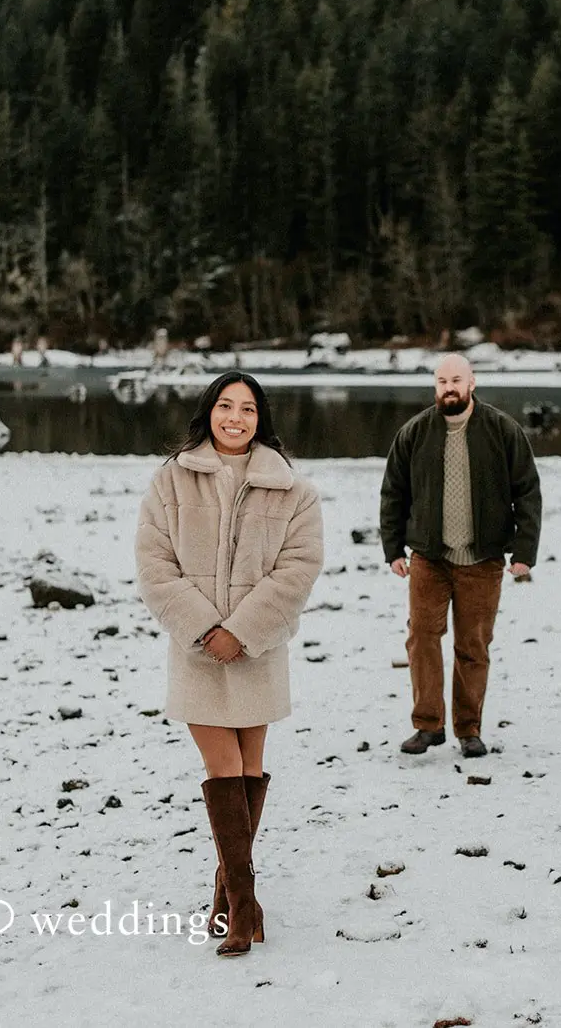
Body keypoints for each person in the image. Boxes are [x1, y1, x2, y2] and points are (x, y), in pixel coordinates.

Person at [135, 372, 324, 957]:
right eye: (225, 406)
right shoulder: (170, 480)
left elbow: (299, 569)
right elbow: (155, 566)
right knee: (222, 767)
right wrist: (205, 629)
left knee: (248, 769)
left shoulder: (293, 489)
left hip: (258, 651)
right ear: (209, 412)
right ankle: (244, 905)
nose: (235, 418)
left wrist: (242, 631)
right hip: (195, 652)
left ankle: (229, 894)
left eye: (246, 409)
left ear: (260, 418)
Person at [380, 354, 542, 758]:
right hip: (429, 558)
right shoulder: (415, 433)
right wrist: (392, 549)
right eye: (441, 381)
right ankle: (428, 725)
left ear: (472, 383)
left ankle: (469, 729)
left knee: (473, 646)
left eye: (456, 379)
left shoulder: (502, 430)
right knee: (421, 638)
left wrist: (524, 552)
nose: (448, 387)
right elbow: (393, 493)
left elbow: (528, 492)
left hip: (483, 559)